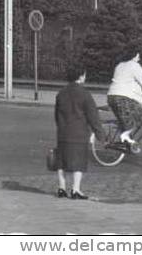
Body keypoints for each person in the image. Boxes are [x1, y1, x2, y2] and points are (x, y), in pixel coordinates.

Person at [54, 64, 106, 200]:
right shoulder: (85, 94)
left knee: (62, 162)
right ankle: (76, 190)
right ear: (81, 76)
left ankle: (61, 188)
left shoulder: (61, 93)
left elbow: (56, 115)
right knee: (78, 163)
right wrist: (101, 135)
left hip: (63, 133)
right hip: (79, 133)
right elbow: (93, 116)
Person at [107, 47, 142, 150]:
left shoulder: (120, 65)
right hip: (123, 98)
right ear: (134, 55)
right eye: (138, 55)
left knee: (125, 121)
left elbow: (129, 83)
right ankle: (126, 137)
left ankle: (128, 143)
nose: (139, 58)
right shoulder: (134, 65)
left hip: (111, 97)